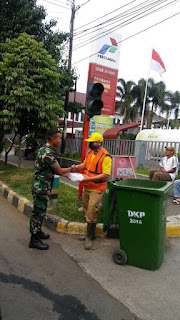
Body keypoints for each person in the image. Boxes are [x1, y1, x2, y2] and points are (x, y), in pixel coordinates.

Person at [29, 129, 72, 250]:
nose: (60, 140)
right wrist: (73, 168)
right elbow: (59, 171)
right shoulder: (48, 153)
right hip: (41, 187)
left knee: (40, 211)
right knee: (38, 213)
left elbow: (52, 169)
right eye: (59, 138)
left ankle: (37, 232)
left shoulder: (44, 149)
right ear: (52, 139)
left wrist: (65, 174)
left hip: (41, 185)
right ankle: (34, 240)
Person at [71, 132, 112, 250]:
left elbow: (105, 175)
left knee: (91, 210)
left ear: (99, 142)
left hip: (97, 188)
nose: (90, 144)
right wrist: (76, 167)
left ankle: (89, 236)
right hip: (87, 186)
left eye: (92, 142)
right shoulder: (90, 152)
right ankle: (92, 234)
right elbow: (85, 165)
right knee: (86, 209)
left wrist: (89, 178)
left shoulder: (106, 157)